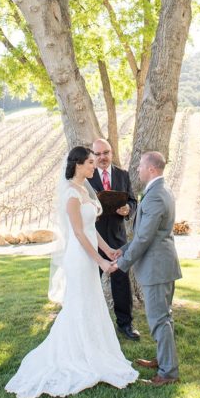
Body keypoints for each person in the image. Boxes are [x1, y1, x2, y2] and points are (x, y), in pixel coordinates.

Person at [5, 145, 139, 398]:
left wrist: (108, 249)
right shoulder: (70, 193)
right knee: (79, 304)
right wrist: (100, 261)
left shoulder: (84, 190)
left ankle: (93, 350)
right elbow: (78, 233)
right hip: (79, 258)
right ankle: (74, 354)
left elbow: (91, 229)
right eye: (90, 162)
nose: (94, 165)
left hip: (89, 252)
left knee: (92, 303)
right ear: (78, 164)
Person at [112, 151, 182, 386]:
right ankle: (164, 359)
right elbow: (145, 235)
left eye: (141, 165)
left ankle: (168, 373)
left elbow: (144, 238)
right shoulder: (161, 190)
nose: (138, 169)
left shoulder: (154, 196)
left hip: (156, 267)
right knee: (164, 318)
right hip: (162, 264)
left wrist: (121, 264)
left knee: (159, 319)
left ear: (151, 169)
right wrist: (124, 248)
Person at [88, 137, 140, 340]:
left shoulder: (123, 175)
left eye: (106, 153)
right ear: (93, 155)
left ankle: (125, 325)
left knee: (121, 281)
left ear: (111, 153)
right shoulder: (87, 175)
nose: (102, 157)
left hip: (117, 237)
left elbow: (132, 200)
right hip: (93, 237)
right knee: (90, 280)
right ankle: (90, 325)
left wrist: (128, 209)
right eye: (98, 154)